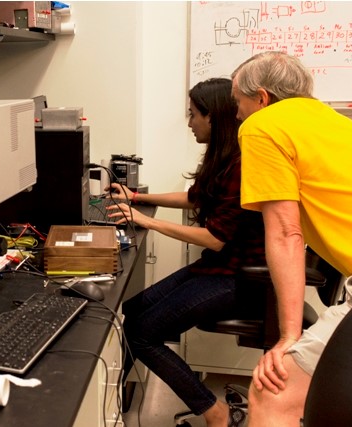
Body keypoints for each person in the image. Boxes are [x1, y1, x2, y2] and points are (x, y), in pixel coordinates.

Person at [106, 77, 266, 427]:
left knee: (142, 331)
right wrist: (137, 198)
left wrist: (145, 222)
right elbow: (197, 198)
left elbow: (215, 238)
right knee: (131, 311)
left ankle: (214, 412)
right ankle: (112, 402)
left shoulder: (242, 164)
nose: (189, 122)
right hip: (219, 267)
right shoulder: (225, 156)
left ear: (213, 118)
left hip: (238, 278)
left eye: (193, 115)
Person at [230, 51, 352, 426]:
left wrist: (288, 336)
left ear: (261, 98)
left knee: (273, 393)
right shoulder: (346, 126)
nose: (237, 115)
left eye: (237, 103)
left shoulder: (263, 125)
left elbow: (286, 233)